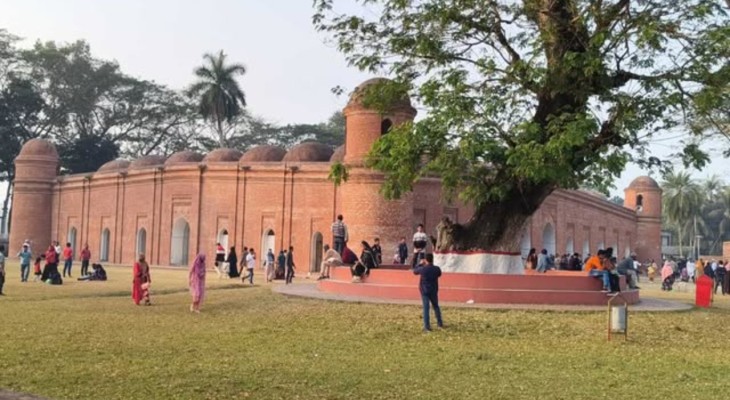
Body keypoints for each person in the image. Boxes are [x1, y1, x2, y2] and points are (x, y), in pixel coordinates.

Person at [413, 253, 443, 332]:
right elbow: (439, 274)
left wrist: (420, 264)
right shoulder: (436, 269)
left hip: (425, 290)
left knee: (426, 308)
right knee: (436, 306)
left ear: (425, 260)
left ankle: (427, 326)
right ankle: (440, 323)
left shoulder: (423, 269)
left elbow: (415, 271)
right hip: (433, 289)